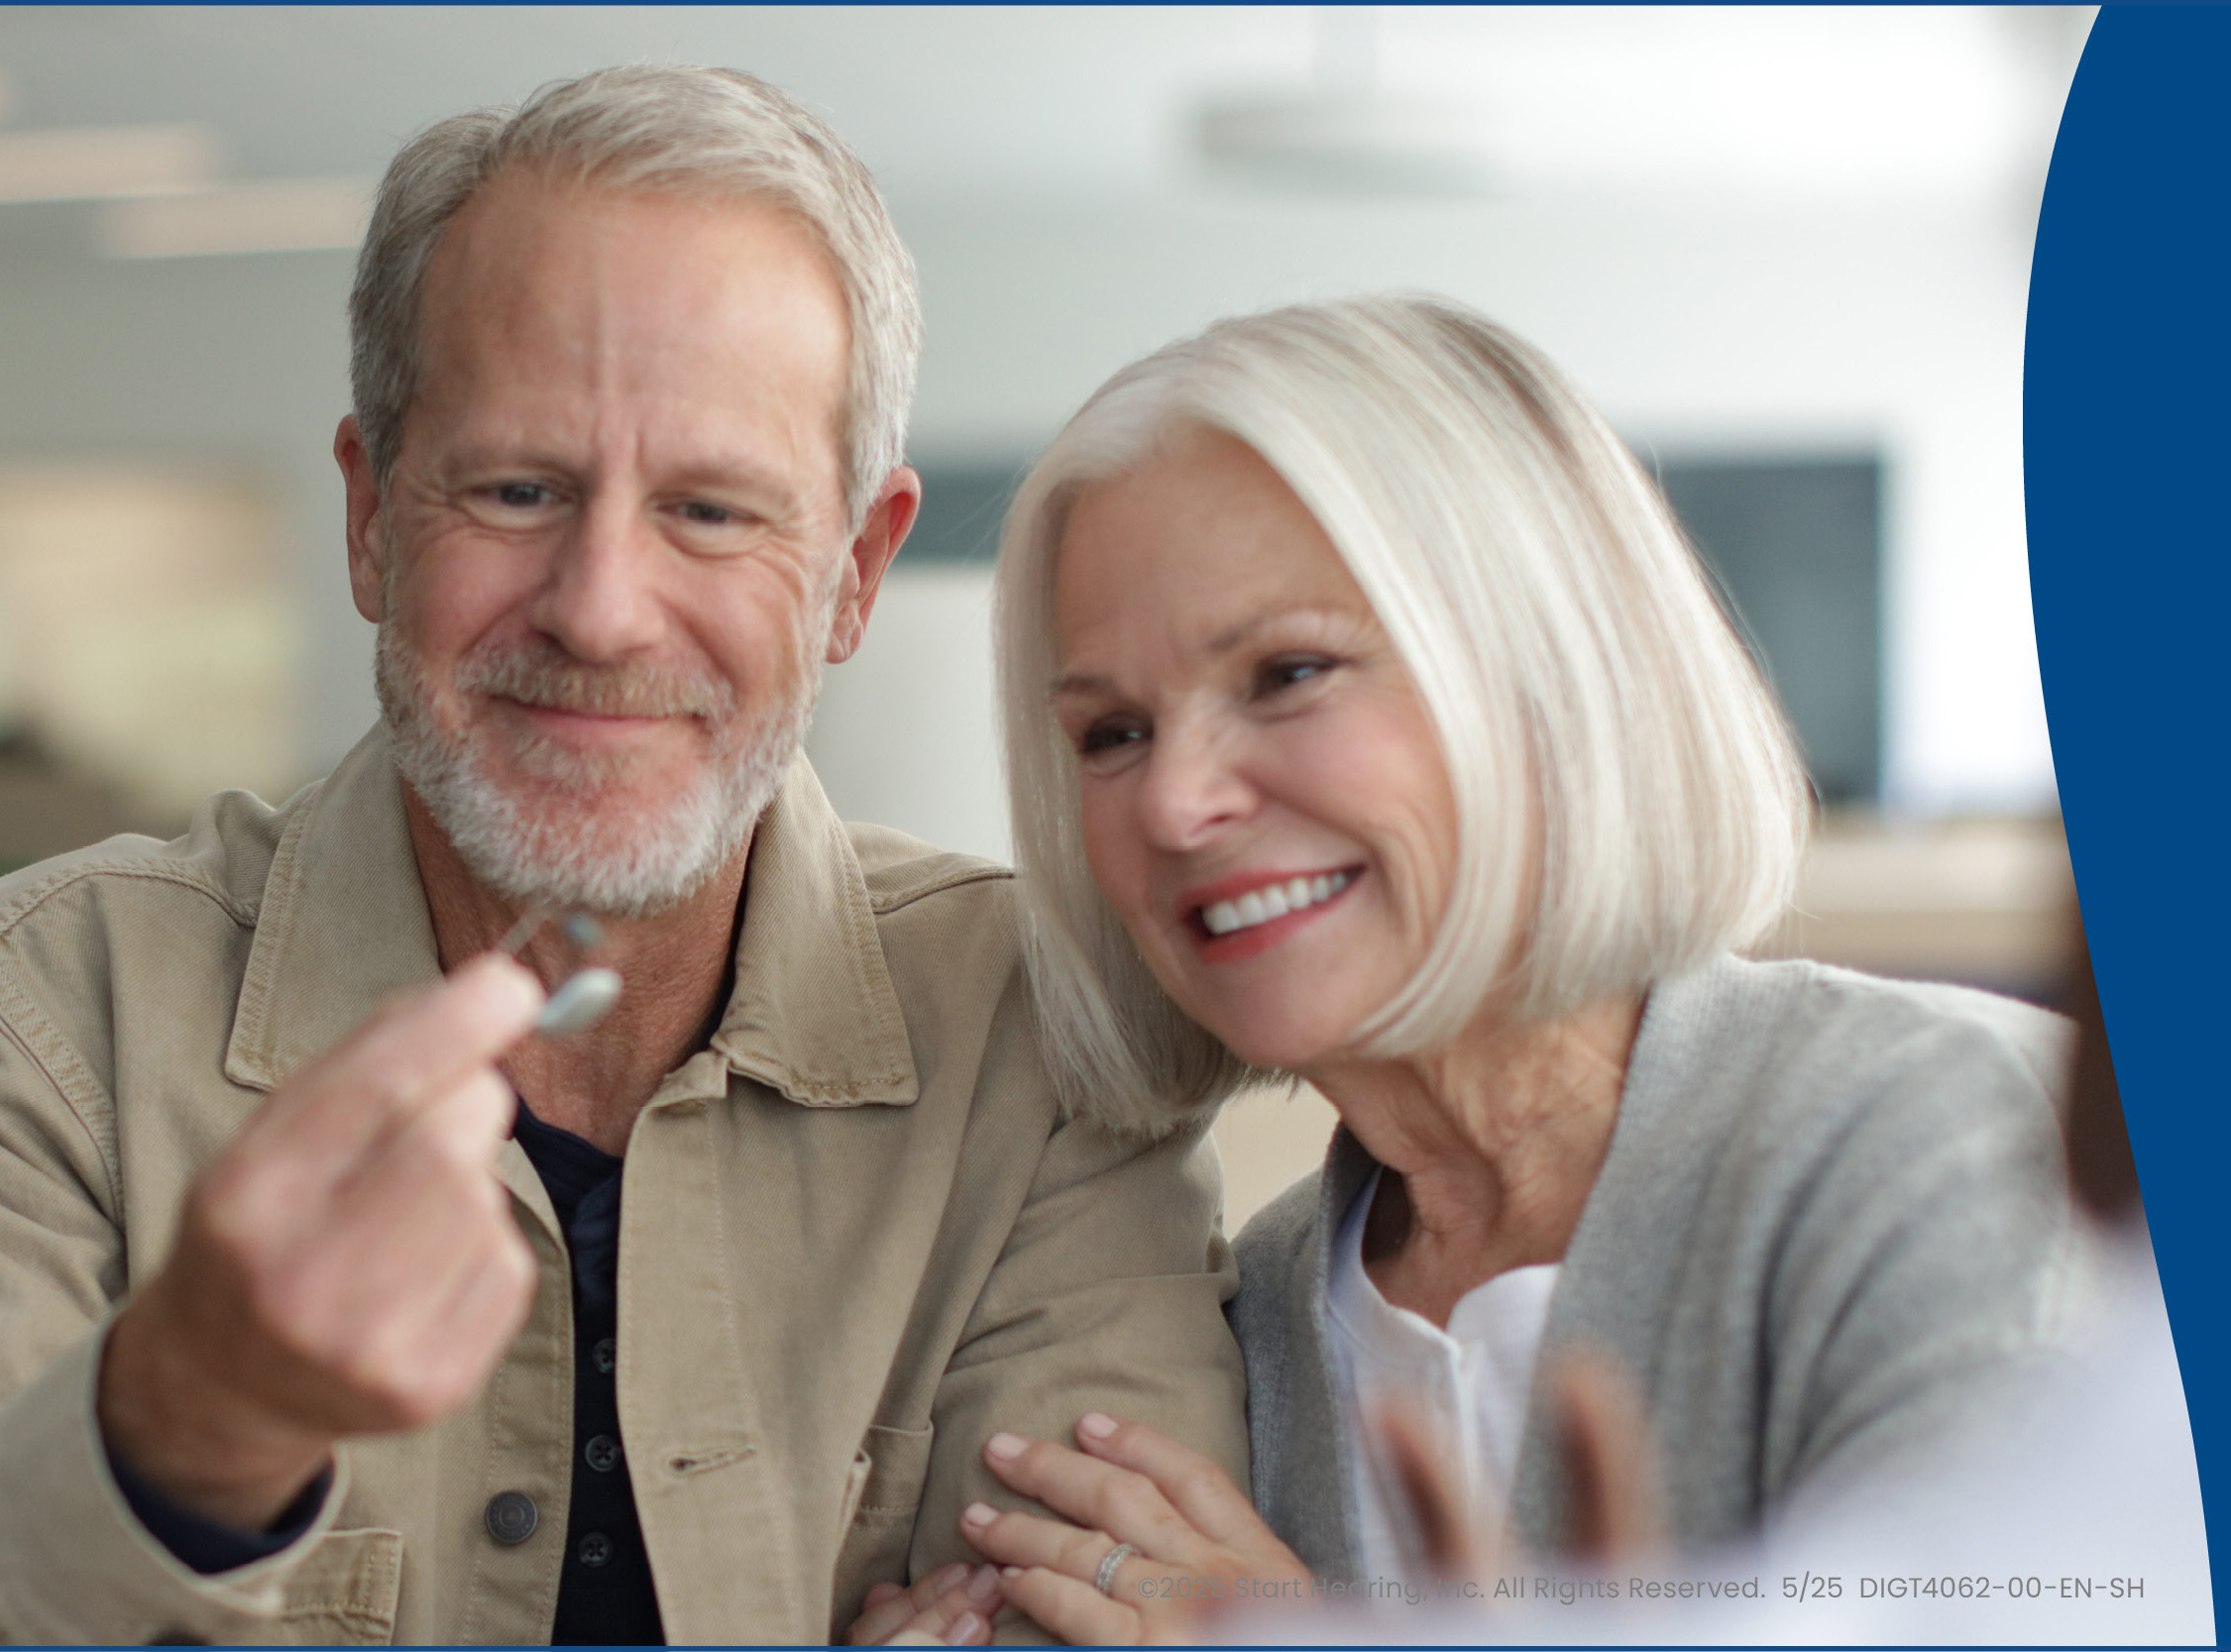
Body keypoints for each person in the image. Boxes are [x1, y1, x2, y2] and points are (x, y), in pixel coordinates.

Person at [0, 66, 1247, 1645]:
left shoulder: (1044, 1045)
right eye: (516, 489)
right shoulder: (28, 1024)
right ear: (370, 520)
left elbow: (1112, 1616)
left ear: (854, 576)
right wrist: (178, 1423)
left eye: (709, 510)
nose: (600, 607)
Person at [852, 294, 2078, 1645]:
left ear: (1550, 677)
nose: (1174, 803)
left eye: (1288, 672)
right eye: (1111, 734)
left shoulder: (1939, 1133)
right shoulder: (1243, 1310)